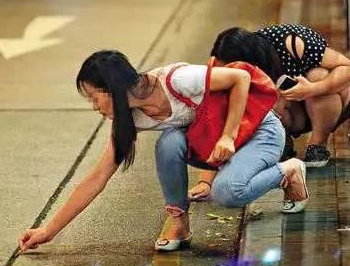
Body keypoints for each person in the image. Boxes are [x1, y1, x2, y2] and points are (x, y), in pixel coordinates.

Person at [19, 50, 308, 254]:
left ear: (111, 89)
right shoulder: (131, 118)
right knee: (169, 142)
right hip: (216, 143)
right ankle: (180, 225)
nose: (95, 107)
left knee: (227, 192)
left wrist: (230, 136)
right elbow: (96, 178)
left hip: (260, 131)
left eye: (94, 98)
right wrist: (48, 231)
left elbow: (239, 79)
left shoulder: (177, 80)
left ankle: (288, 171)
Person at [189, 24, 350, 202]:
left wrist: (312, 89)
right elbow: (221, 122)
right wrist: (206, 181)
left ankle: (317, 145)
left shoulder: (291, 41)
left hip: (330, 104)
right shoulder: (229, 76)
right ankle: (282, 144)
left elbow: (346, 67)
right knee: (261, 103)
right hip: (288, 114)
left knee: (318, 74)